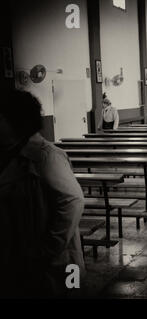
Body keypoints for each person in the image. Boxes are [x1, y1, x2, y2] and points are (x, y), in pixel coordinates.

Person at [0, 89, 85, 297]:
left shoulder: (47, 157)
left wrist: (47, 249)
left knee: (66, 292)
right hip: (22, 255)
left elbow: (72, 200)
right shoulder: (10, 153)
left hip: (56, 261)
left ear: (15, 121)